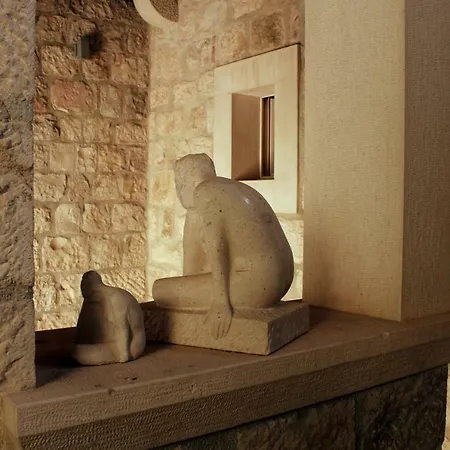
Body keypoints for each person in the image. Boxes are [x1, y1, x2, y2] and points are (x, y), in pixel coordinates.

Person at [152, 153, 294, 340]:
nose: (178, 192)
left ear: (184, 180)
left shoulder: (205, 192)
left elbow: (217, 246)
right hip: (280, 282)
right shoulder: (230, 188)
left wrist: (221, 302)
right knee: (193, 216)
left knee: (161, 291)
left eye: (178, 183)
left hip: (256, 286)